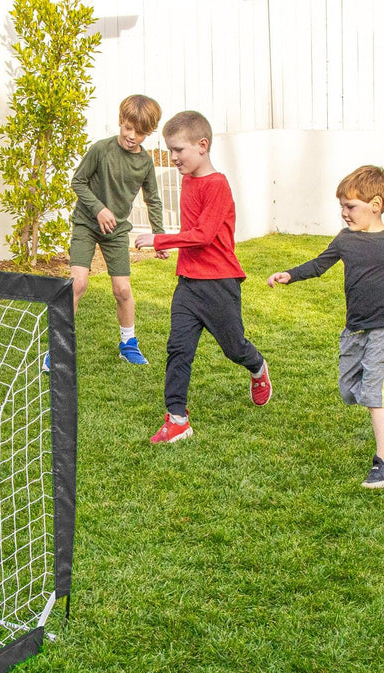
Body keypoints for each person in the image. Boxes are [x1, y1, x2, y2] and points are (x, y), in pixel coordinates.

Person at [267, 165, 384, 488]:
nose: (344, 213)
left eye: (350, 206)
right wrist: (290, 274)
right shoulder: (345, 241)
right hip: (353, 329)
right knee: (347, 390)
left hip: (382, 328)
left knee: (371, 395)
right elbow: (318, 264)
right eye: (341, 206)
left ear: (376, 205)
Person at [134, 110, 271, 444]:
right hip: (188, 283)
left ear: (202, 145)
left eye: (179, 150)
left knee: (234, 348)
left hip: (220, 283)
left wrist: (160, 240)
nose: (174, 157)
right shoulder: (187, 180)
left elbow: (205, 235)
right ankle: (177, 419)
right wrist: (172, 247)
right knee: (178, 348)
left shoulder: (218, 185)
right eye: (170, 151)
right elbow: (191, 231)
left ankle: (257, 367)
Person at [51, 93, 168, 370]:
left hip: (115, 231)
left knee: (123, 289)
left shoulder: (145, 163)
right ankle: (56, 350)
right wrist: (99, 209)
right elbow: (78, 181)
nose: (132, 136)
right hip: (86, 225)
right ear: (120, 121)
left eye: (140, 132)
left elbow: (153, 198)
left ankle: (128, 345)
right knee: (77, 284)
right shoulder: (100, 150)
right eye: (128, 128)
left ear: (148, 133)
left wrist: (160, 236)